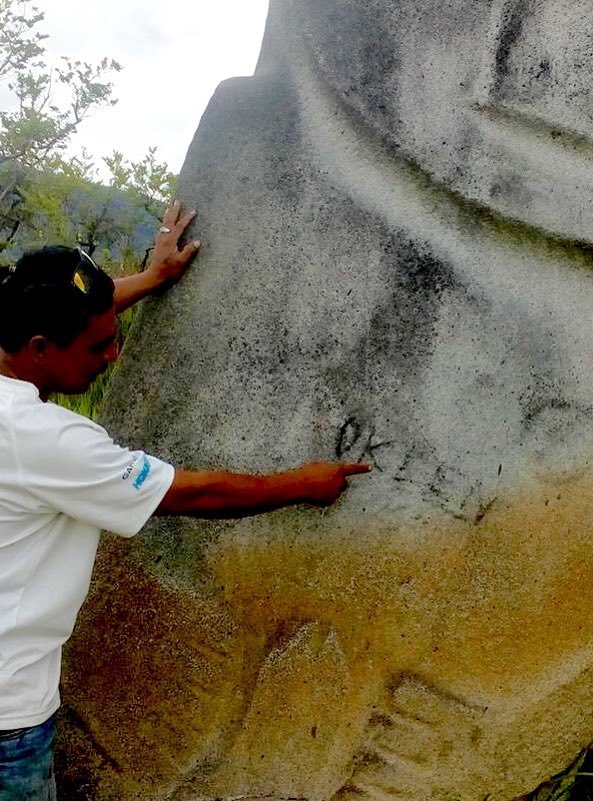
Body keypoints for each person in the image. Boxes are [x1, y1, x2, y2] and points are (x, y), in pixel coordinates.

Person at [0, 202, 369, 800]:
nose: (112, 356)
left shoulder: (14, 352)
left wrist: (149, 280)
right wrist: (304, 484)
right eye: (99, 347)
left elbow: (61, 317)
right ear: (41, 348)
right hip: (8, 727)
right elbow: (193, 494)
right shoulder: (45, 441)